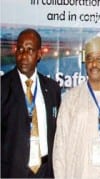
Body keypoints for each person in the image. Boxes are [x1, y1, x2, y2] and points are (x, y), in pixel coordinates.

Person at [52, 36, 100, 178]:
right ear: (85, 62)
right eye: (90, 59)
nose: (94, 64)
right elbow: (60, 147)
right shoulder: (71, 99)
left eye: (99, 59)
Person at [1, 28, 61, 177]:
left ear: (39, 54)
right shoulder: (3, 86)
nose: (23, 55)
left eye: (30, 50)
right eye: (20, 49)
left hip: (45, 171)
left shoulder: (52, 89)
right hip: (13, 171)